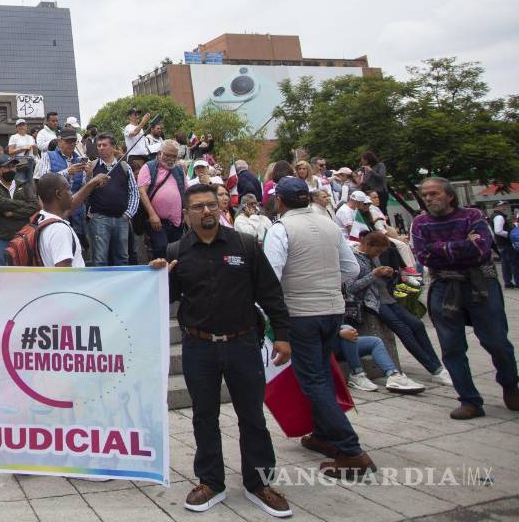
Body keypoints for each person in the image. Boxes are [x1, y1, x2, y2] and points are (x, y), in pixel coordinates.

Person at [149, 184, 291, 517]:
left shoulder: (245, 245)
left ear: (220, 206)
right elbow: (165, 298)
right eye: (197, 207)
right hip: (199, 347)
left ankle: (260, 483)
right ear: (186, 214)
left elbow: (270, 293)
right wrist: (157, 278)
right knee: (203, 416)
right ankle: (210, 481)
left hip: (243, 343)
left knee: (252, 417)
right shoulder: (176, 250)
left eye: (211, 205)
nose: (206, 211)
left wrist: (282, 335)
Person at [263, 177, 374, 478]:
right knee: (321, 373)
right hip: (333, 309)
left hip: (300, 313)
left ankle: (351, 450)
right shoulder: (329, 225)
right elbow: (351, 269)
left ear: (280, 201)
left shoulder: (280, 229)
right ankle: (324, 434)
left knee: (313, 380)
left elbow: (271, 277)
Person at [410, 177, 519, 419]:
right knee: (451, 346)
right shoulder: (420, 223)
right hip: (444, 286)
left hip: (479, 282)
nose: (428, 198)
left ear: (449, 195)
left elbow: (481, 249)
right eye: (425, 194)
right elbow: (424, 256)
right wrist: (460, 246)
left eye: (434, 194)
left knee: (497, 341)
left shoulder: (472, 216)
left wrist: (441, 248)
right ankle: (469, 400)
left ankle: (511, 384)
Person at [344, 231, 450, 386]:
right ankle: (433, 368)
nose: (378, 254)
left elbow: (380, 278)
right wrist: (373, 274)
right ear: (367, 245)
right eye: (377, 251)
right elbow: (351, 287)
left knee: (417, 325)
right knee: (403, 329)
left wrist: (388, 273)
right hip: (370, 301)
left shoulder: (373, 256)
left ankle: (438, 367)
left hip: (386, 296)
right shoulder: (352, 258)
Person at [85, 135, 138, 266]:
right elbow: (84, 191)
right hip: (99, 219)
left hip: (122, 219)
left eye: (104, 145)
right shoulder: (92, 166)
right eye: (99, 145)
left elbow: (134, 192)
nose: (101, 148)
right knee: (100, 259)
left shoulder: (125, 167)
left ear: (113, 147)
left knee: (122, 258)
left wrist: (128, 214)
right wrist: (87, 176)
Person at [0, 156, 40, 265]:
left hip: (21, 238)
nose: (11, 169)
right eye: (7, 167)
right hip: (0, 239)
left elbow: (34, 206)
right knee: (0, 276)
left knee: (21, 276)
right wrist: (23, 204)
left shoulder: (23, 185)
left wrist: (13, 213)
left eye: (13, 166)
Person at [36, 129, 88, 244]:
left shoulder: (79, 159)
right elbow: (44, 180)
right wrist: (67, 172)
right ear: (60, 141)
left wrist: (89, 174)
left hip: (77, 209)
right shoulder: (48, 156)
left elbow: (83, 185)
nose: (72, 144)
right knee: (60, 242)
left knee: (78, 242)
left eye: (74, 141)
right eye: (69, 141)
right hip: (56, 209)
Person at [138, 141, 186, 260]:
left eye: (174, 156)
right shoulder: (149, 167)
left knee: (176, 253)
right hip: (157, 221)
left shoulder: (179, 170)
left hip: (177, 222)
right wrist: (152, 215)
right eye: (168, 155)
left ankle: (173, 278)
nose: (171, 159)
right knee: (161, 249)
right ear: (160, 153)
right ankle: (161, 277)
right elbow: (142, 192)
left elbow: (186, 192)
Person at [33, 174, 85, 267]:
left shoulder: (40, 218)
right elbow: (63, 274)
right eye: (68, 189)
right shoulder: (59, 230)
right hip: (72, 282)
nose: (71, 193)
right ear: (59, 194)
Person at [490, 201, 518, 289]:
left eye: (504, 205)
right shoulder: (499, 216)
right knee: (514, 263)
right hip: (506, 243)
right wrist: (510, 234)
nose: (504, 207)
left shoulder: (494, 216)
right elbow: (498, 231)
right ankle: (517, 282)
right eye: (501, 206)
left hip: (501, 243)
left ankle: (508, 282)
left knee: (505, 263)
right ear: (495, 207)